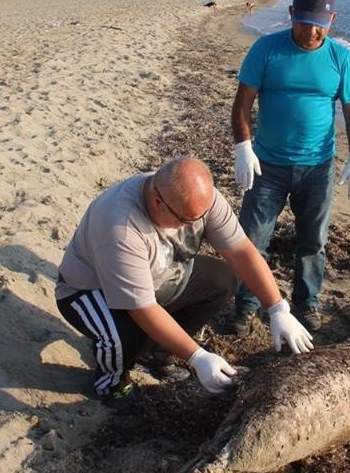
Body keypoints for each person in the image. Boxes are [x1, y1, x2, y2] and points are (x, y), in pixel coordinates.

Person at [55, 157, 313, 404]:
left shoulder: (200, 200)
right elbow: (141, 308)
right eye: (187, 220)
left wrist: (278, 308)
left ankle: (159, 354)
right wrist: (196, 356)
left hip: (159, 275)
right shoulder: (120, 226)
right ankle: (111, 382)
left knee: (222, 280)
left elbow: (241, 251)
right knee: (127, 337)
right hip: (88, 291)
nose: (196, 224)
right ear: (158, 202)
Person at [230, 0, 350, 336]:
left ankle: (307, 303)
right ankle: (246, 306)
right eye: (305, 21)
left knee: (313, 241)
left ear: (332, 19)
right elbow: (242, 102)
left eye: (319, 23)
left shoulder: (341, 58)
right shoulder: (266, 49)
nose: (311, 30)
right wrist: (243, 147)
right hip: (267, 165)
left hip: (317, 167)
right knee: (252, 238)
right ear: (291, 15)